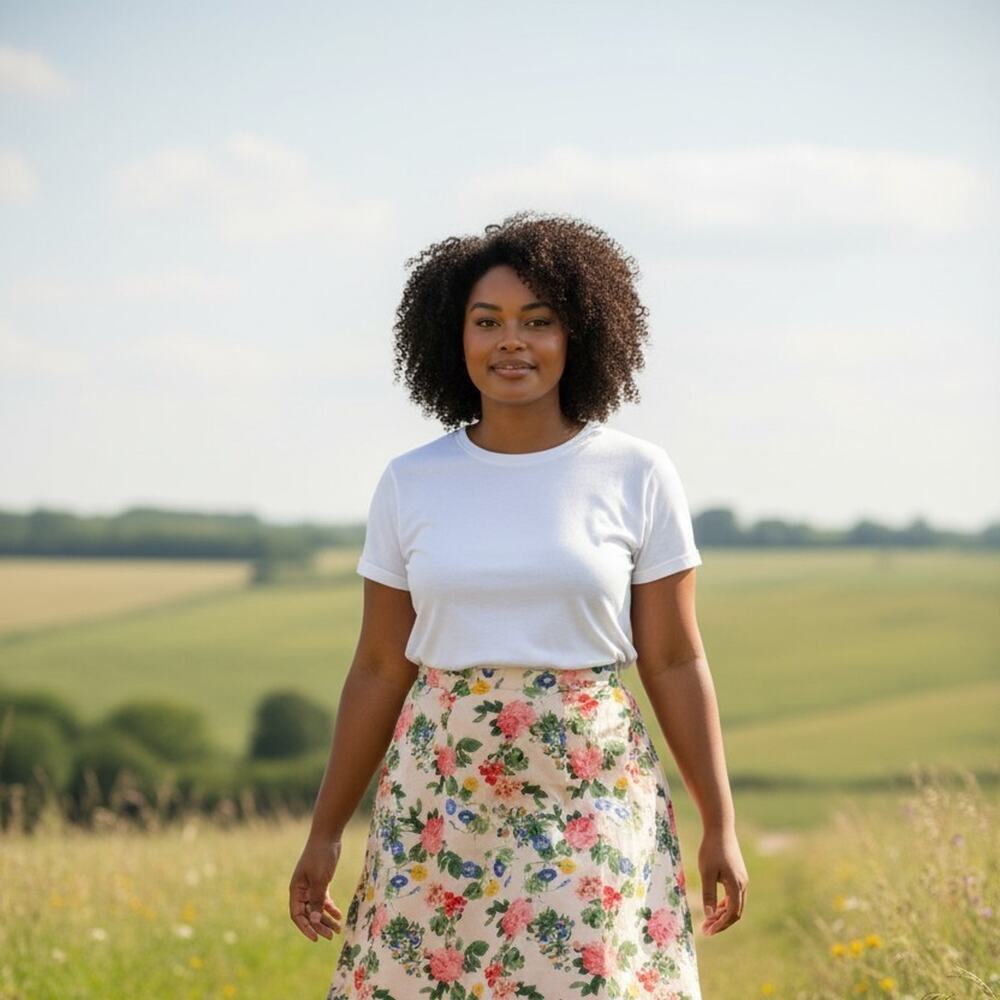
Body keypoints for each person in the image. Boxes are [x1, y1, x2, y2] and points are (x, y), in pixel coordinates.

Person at [289, 210, 748, 999]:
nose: (512, 342)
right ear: (453, 336)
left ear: (579, 336)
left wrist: (722, 825)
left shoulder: (637, 472)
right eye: (488, 321)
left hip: (591, 783)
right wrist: (325, 832)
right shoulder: (411, 480)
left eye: (539, 322)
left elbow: (674, 659)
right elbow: (375, 667)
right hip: (439, 788)